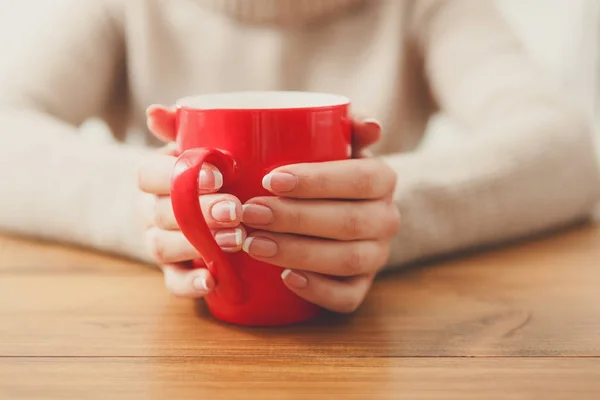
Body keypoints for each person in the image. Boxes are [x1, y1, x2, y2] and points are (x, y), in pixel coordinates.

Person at [1, 0, 599, 313]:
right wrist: (153, 209)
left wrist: (381, 213)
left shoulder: (429, 6)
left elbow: (567, 150)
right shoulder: (122, 6)